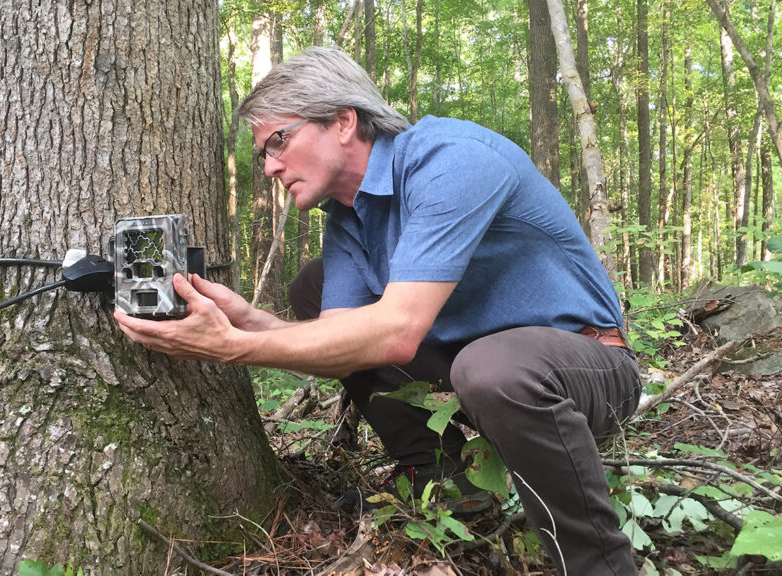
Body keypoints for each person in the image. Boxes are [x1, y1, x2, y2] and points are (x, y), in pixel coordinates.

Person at [115, 46, 641, 575]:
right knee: (314, 285)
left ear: (344, 121)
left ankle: (600, 565)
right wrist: (247, 321)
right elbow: (341, 341)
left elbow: (395, 334)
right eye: (263, 153)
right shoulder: (347, 215)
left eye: (280, 140)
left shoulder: (451, 160)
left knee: (493, 369)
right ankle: (448, 478)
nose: (271, 166)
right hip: (469, 360)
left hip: (586, 361)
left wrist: (235, 348)